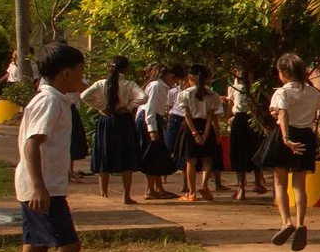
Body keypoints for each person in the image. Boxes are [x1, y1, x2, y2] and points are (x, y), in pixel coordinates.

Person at [15, 42, 104, 252]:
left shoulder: (56, 100)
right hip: (43, 188)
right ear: (66, 73)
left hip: (39, 185)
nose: (83, 77)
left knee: (36, 246)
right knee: (69, 245)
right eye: (80, 72)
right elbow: (32, 143)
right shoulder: (49, 102)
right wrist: (40, 187)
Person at [266, 52, 320, 250]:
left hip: (286, 136)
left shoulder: (282, 92)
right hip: (306, 135)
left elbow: (282, 113)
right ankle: (300, 223)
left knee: (280, 182)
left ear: (283, 72)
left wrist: (286, 138)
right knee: (299, 184)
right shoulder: (314, 93)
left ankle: (286, 222)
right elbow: (315, 113)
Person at [79, 55, 140, 206]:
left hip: (107, 121)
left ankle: (103, 195)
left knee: (104, 155)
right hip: (123, 120)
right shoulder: (128, 84)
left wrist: (101, 107)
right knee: (126, 157)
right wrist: (129, 107)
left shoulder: (101, 83)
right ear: (125, 69)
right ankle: (126, 196)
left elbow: (84, 96)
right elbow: (143, 97)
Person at [177, 64, 222, 201]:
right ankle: (204, 184)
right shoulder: (213, 95)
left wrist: (194, 133)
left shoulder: (185, 94)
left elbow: (187, 115)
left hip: (190, 126)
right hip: (205, 125)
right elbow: (210, 116)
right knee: (207, 158)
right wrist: (206, 133)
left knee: (191, 160)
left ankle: (191, 192)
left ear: (190, 77)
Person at [139, 62, 180, 200]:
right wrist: (152, 128)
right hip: (149, 120)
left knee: (157, 155)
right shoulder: (156, 86)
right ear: (169, 75)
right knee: (151, 155)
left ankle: (158, 187)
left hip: (155, 119)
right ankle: (150, 190)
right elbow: (149, 108)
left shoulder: (161, 86)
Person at [226, 68, 266, 199]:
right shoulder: (255, 87)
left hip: (240, 119)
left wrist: (228, 119)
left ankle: (241, 188)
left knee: (239, 153)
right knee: (254, 150)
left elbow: (230, 106)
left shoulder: (234, 87)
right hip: (252, 119)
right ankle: (257, 182)